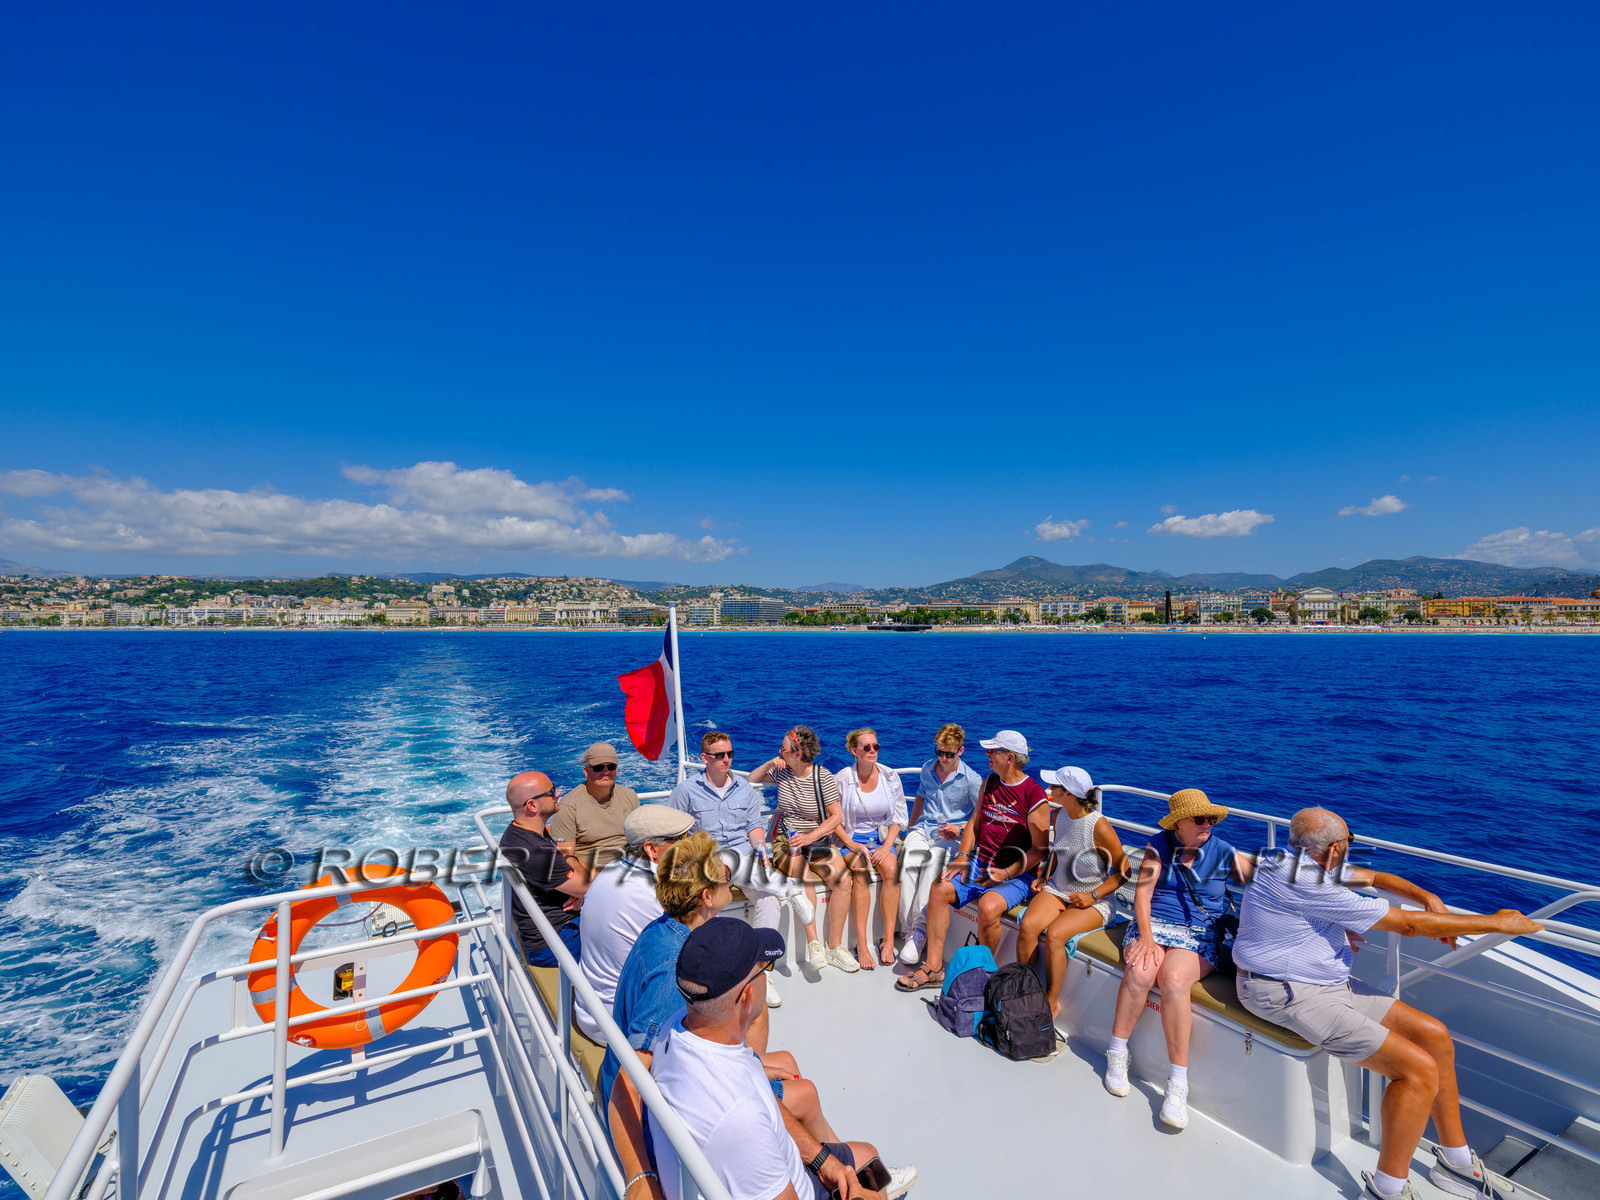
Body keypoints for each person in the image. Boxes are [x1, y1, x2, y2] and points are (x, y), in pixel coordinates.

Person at [1234, 807, 1542, 1200]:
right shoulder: (1308, 881)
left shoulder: (1286, 859)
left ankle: (1456, 1163)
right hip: (1281, 991)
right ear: (1333, 849)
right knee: (1416, 1071)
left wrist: (1427, 896)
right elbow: (1408, 926)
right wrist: (1497, 922)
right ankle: (1386, 1191)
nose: (1350, 849)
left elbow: (1376, 878)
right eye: (1350, 842)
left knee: (1435, 1036)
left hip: (1326, 983)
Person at [603, 837, 848, 1199]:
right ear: (705, 897)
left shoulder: (666, 929)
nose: (730, 881)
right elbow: (628, 1081)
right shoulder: (679, 972)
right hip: (673, 1110)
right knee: (805, 1093)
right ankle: (845, 1175)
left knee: (785, 1063)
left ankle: (840, 1166)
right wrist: (640, 1175)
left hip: (686, 1067)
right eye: (723, 878)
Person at [648, 918, 918, 1200]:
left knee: (868, 1156)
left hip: (785, 1169)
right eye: (765, 969)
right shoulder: (740, 1119)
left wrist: (820, 1159)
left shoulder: (679, 1028)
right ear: (748, 996)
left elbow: (764, 1101)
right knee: (876, 1187)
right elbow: (747, 1122)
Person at [1103, 788, 1255, 1132]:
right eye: (1200, 819)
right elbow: (1142, 893)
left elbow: (1264, 885)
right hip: (1154, 924)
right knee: (1141, 972)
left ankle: (1177, 1083)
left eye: (1211, 818)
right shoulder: (1159, 845)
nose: (1208, 824)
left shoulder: (1224, 852)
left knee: (1172, 980)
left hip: (1199, 933)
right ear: (1180, 824)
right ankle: (1117, 1052)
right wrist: (1145, 937)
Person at [665, 731, 813, 1007]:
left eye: (730, 754)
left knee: (768, 899)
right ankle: (789, 889)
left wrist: (761, 851)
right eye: (719, 755)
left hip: (744, 860)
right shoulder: (686, 791)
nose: (726, 760)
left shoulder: (743, 788)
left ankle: (760, 973)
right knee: (724, 863)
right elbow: (673, 831)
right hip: (709, 861)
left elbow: (754, 828)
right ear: (705, 758)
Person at [895, 730, 1049, 994]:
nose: (987, 754)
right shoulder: (990, 781)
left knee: (988, 907)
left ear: (1010, 757)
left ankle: (980, 976)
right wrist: (963, 857)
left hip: (1017, 873)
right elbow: (974, 823)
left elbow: (1039, 848)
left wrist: (1007, 873)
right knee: (939, 887)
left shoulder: (1033, 795)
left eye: (993, 751)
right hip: (980, 861)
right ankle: (933, 967)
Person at [573, 803, 694, 1042]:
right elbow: (692, 960)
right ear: (652, 849)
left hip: (591, 1011)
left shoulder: (612, 869)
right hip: (623, 1025)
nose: (690, 845)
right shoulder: (658, 894)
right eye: (681, 839)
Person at [1017, 766, 1129, 1018]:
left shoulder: (1098, 826)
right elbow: (1059, 851)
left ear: (1068, 794)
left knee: (1056, 934)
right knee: (1028, 925)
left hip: (1094, 900)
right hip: (1058, 889)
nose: (1048, 790)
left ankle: (1050, 1001)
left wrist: (1094, 896)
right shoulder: (1059, 816)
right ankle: (1024, 988)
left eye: (1054, 787)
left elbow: (1124, 872)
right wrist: (1044, 877)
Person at [748, 727, 854, 972]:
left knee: (844, 880)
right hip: (787, 841)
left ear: (797, 753)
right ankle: (813, 943)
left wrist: (810, 837)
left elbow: (836, 817)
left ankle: (835, 946)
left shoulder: (822, 776)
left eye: (783, 749)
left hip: (815, 839)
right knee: (803, 876)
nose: (779, 752)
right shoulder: (782, 772)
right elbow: (751, 779)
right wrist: (769, 763)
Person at [898, 724, 983, 966]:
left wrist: (960, 829)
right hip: (923, 830)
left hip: (951, 838)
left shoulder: (972, 780)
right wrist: (910, 831)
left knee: (931, 870)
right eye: (940, 752)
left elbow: (981, 817)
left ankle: (919, 932)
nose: (943, 758)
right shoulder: (927, 768)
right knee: (906, 866)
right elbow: (921, 798)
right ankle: (909, 932)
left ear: (961, 751)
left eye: (950, 754)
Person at [834, 728, 906, 969]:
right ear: (854, 751)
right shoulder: (843, 778)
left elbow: (898, 818)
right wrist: (851, 844)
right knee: (862, 872)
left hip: (880, 838)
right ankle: (862, 944)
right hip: (850, 838)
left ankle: (887, 940)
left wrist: (887, 847)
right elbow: (833, 819)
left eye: (876, 746)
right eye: (866, 747)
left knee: (891, 871)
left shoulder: (889, 776)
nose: (872, 751)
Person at [498, 770, 586, 967]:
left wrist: (579, 886)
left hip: (552, 930)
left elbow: (580, 885)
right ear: (532, 805)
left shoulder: (519, 834)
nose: (559, 793)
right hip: (554, 942)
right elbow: (585, 886)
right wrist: (572, 863)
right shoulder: (535, 849)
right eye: (551, 791)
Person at [549, 741, 642, 881]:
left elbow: (640, 840)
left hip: (630, 870)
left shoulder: (630, 796)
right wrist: (595, 883)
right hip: (592, 875)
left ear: (616, 770)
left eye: (611, 766)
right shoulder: (569, 805)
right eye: (598, 767)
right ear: (586, 771)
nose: (606, 771)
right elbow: (565, 857)